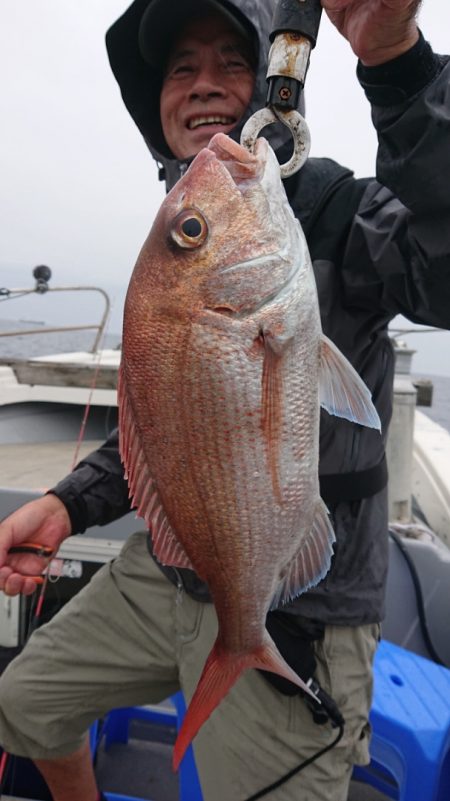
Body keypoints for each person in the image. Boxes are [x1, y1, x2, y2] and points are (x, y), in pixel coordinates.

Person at [0, 0, 449, 799]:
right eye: (180, 69)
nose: (203, 85)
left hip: (307, 602)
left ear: (277, 88)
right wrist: (69, 506)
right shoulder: (186, 236)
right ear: (158, 102)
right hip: (177, 571)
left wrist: (397, 66)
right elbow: (169, 432)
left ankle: (249, 651)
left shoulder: (343, 214)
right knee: (24, 700)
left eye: (231, 62)